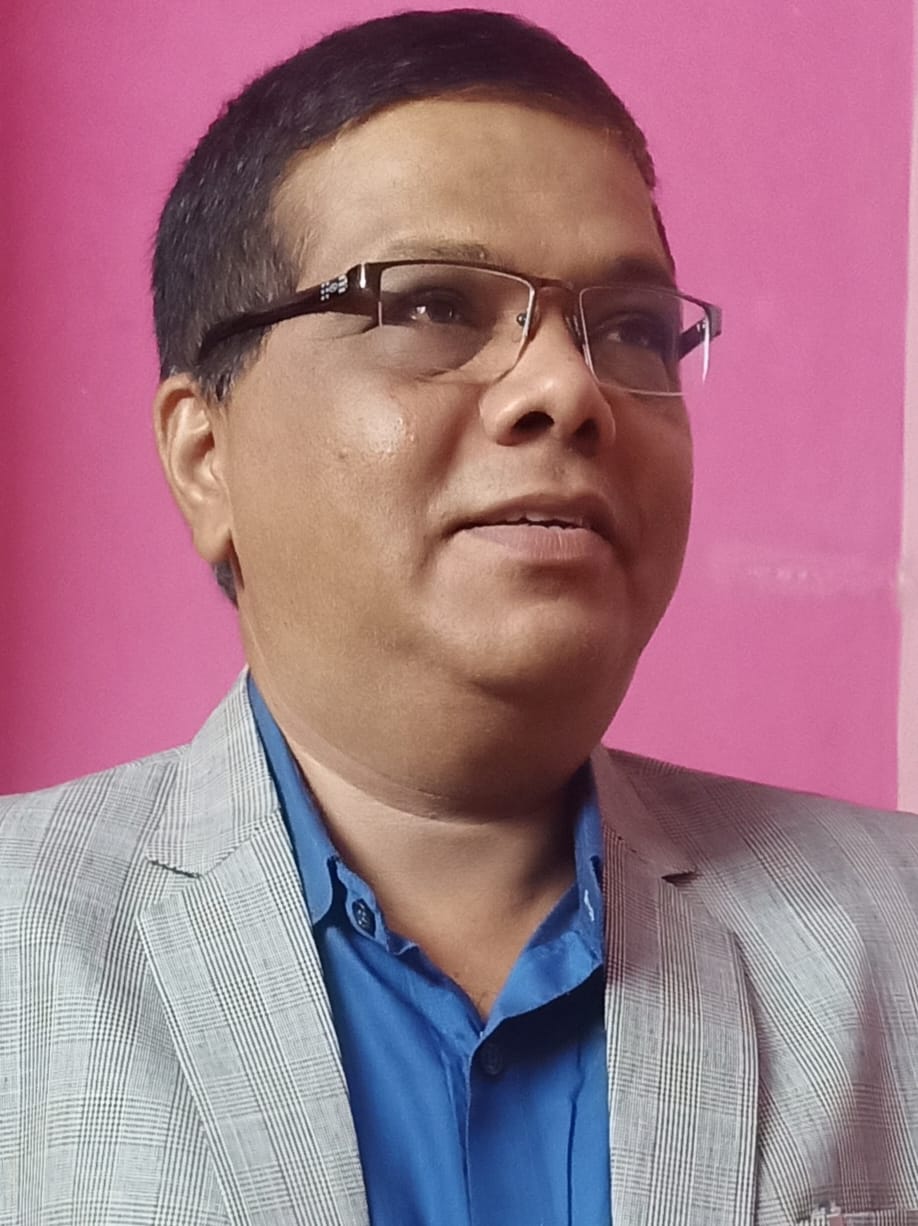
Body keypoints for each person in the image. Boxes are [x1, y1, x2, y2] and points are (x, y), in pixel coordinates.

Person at [2, 8, 917, 1224]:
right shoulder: (23, 945)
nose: (568, 387)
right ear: (206, 454)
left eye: (632, 328)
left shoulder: (895, 937)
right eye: (434, 307)